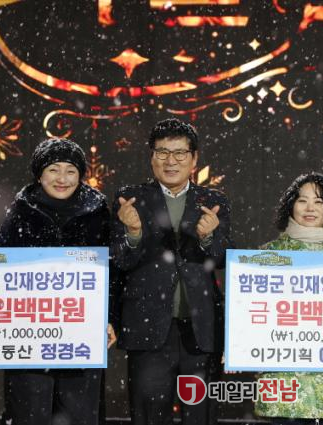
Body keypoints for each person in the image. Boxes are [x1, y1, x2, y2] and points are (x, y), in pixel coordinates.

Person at [110, 118, 233, 425]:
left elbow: (223, 259)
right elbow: (120, 261)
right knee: (148, 417)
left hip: (201, 330)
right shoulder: (130, 199)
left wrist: (208, 238)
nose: (170, 161)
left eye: (179, 153)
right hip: (148, 328)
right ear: (152, 157)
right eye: (162, 152)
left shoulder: (213, 202)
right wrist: (133, 233)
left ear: (194, 158)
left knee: (202, 416)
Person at [0, 137, 116, 425]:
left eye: (70, 171)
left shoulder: (97, 212)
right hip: (29, 336)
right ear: (39, 174)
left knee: (80, 414)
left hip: (81, 334)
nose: (62, 178)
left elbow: (113, 270)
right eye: (53, 169)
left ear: (80, 175)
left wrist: (110, 317)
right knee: (29, 412)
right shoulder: (20, 212)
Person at [254, 172, 323, 425]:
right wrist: (237, 347)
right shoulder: (267, 255)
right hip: (285, 386)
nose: (310, 208)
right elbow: (248, 312)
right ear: (290, 206)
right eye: (302, 200)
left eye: (319, 201)